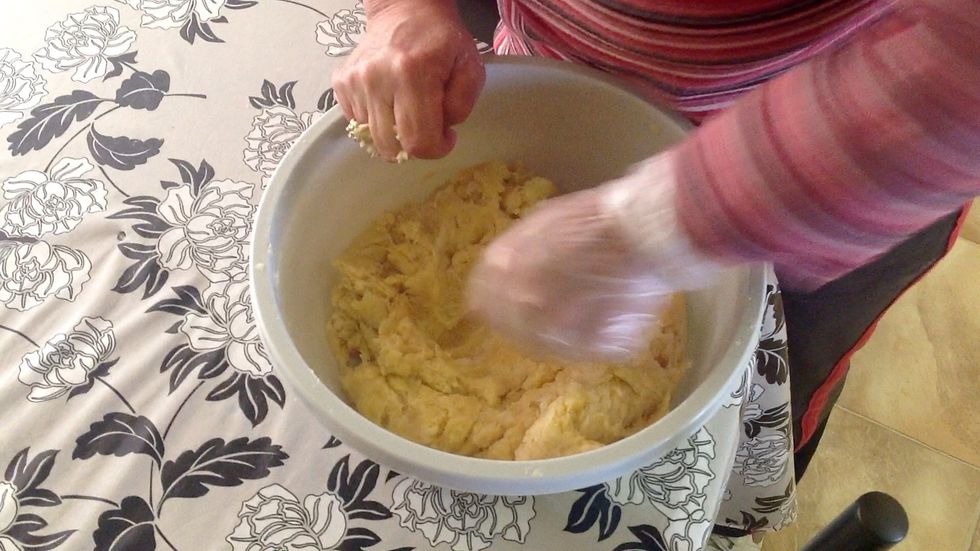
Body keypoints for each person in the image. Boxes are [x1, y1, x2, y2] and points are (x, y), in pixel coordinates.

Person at [333, 0, 978, 544]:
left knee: (772, 392)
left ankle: (735, 515)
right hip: (551, 70)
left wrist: (655, 229)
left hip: (841, 174)